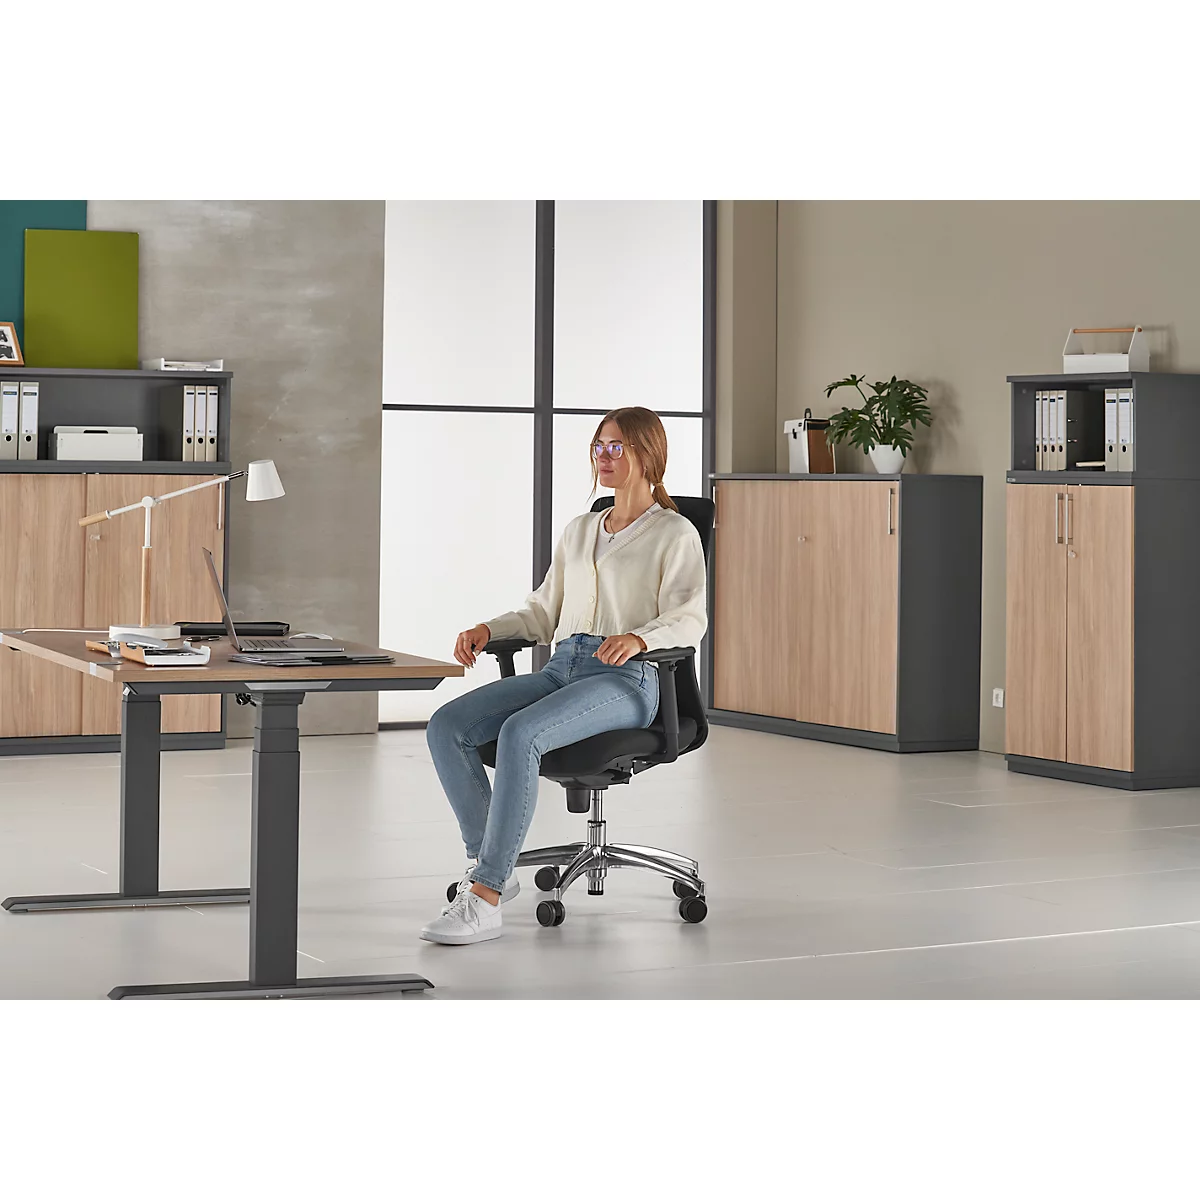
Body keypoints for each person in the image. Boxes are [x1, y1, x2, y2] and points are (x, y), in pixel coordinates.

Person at [421, 406, 708, 945]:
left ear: (649, 454)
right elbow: (542, 611)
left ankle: (483, 895)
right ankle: (494, 869)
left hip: (628, 678)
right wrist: (489, 627)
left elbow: (691, 617)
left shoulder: (675, 533)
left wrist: (641, 637)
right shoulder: (580, 530)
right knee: (447, 726)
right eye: (599, 445)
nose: (603, 456)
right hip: (562, 666)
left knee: (519, 733)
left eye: (616, 446)